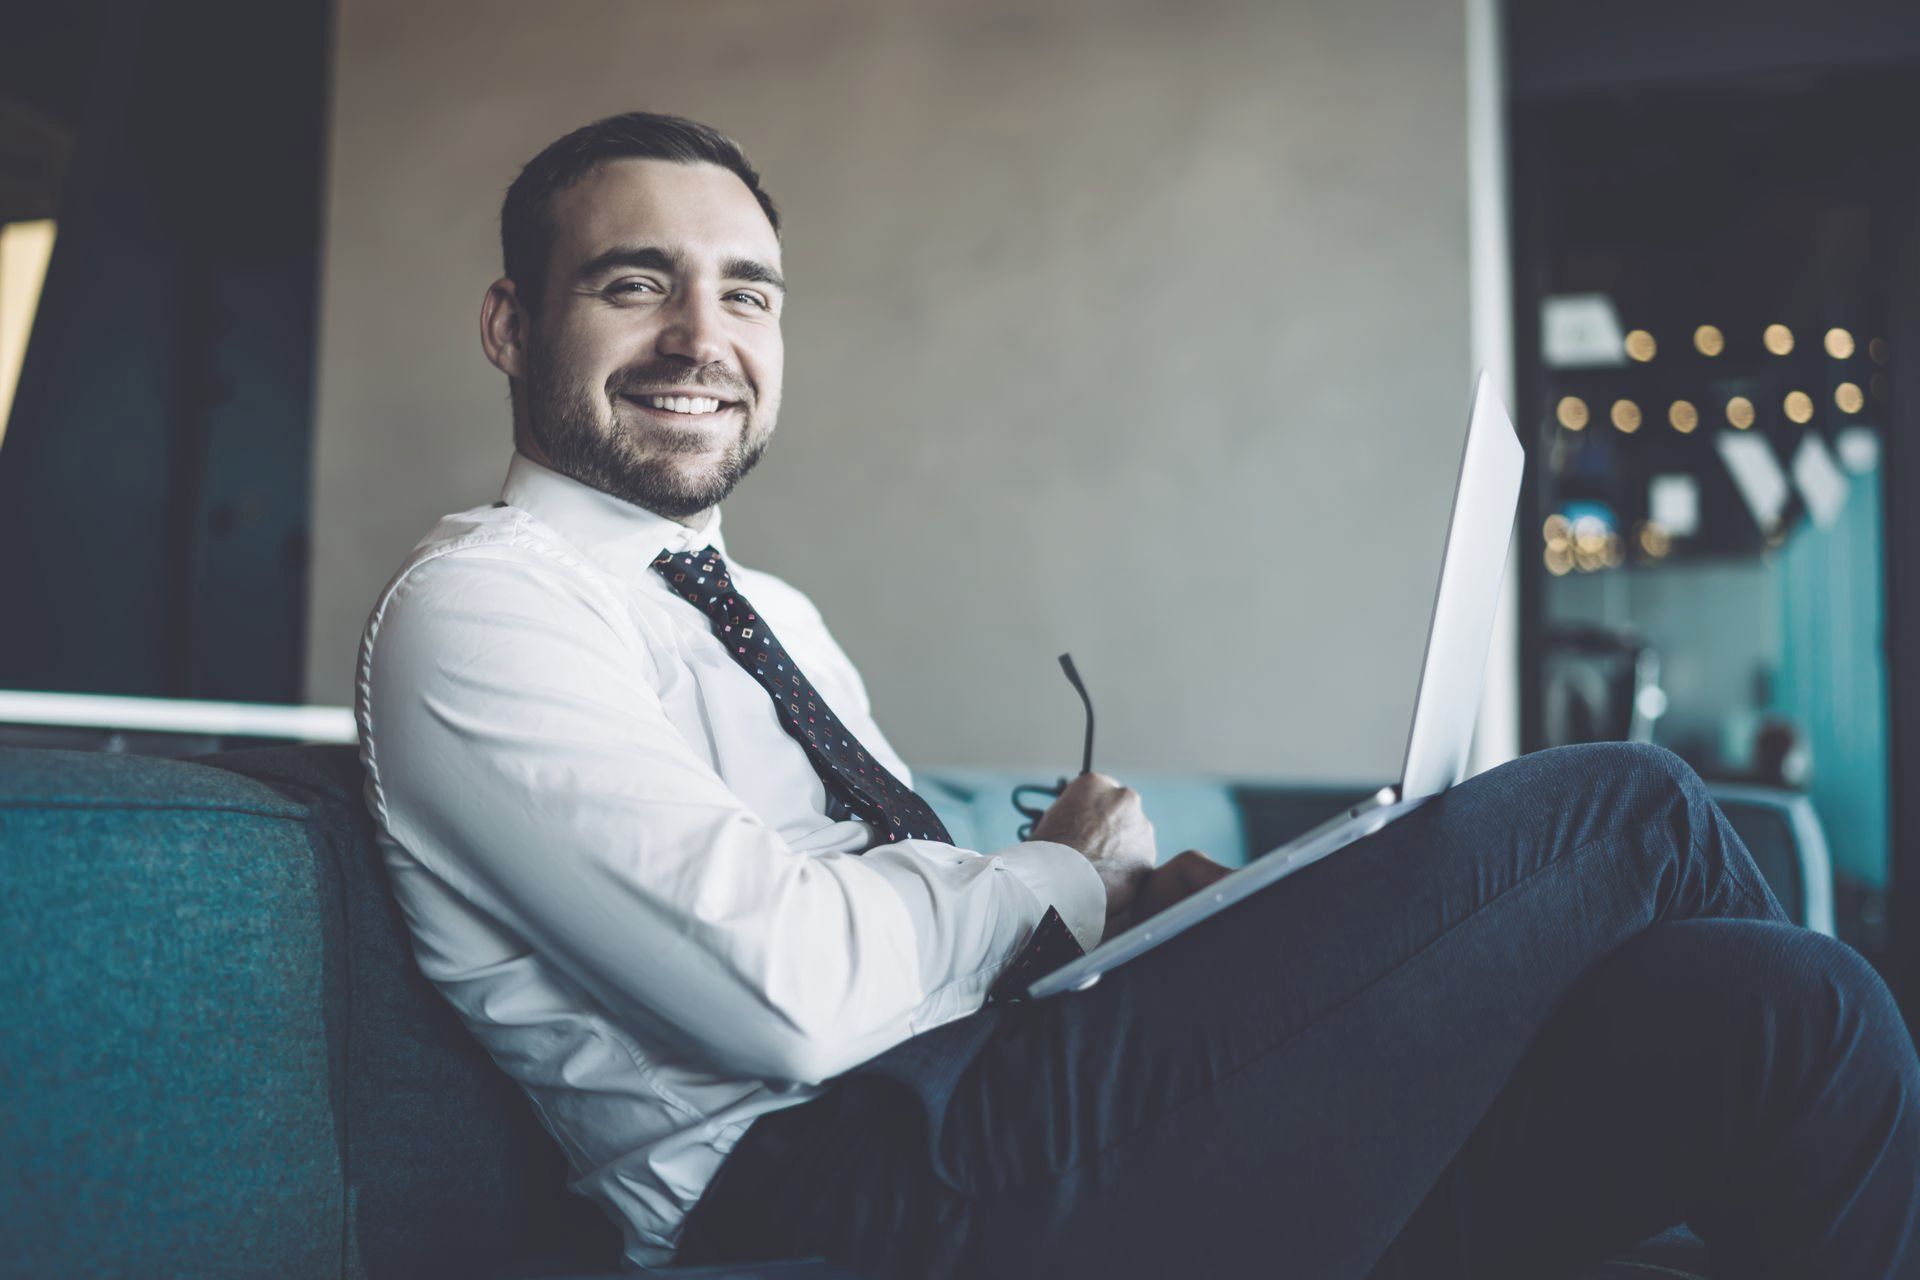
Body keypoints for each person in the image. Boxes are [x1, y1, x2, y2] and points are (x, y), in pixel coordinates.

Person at [355, 112, 1920, 1279]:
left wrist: (1161, 918)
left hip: (1038, 1116)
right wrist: (1058, 877)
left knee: (1792, 1015)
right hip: (838, 1198)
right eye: (639, 284)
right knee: (1628, 805)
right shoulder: (481, 609)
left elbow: (897, 934)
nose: (707, 339)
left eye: (749, 294)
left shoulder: (771, 615)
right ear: (512, 323)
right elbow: (791, 1000)